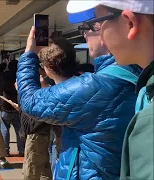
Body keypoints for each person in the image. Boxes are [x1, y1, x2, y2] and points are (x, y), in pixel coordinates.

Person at [16, 26, 141, 179]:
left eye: (90, 26)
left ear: (106, 32)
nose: (84, 33)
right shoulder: (136, 74)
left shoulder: (93, 85)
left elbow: (30, 102)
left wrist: (29, 54)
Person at [66, 1, 154, 179]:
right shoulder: (146, 90)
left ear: (130, 22)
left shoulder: (150, 120)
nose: (97, 34)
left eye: (97, 23)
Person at [0, 60, 24, 157]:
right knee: (19, 130)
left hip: (5, 106)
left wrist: (3, 64)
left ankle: (6, 150)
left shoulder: (4, 76)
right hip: (18, 107)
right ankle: (21, 150)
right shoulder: (21, 76)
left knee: (4, 129)